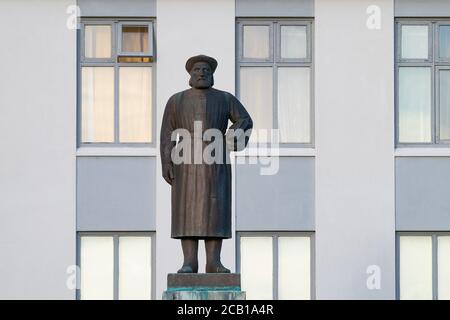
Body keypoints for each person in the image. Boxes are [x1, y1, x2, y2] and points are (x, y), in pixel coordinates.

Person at [160, 55, 253, 273]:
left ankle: (214, 262)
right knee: (186, 211)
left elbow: (245, 120)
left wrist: (232, 137)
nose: (201, 72)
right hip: (184, 160)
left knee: (215, 209)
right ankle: (189, 262)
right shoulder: (176, 100)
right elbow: (167, 133)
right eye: (197, 69)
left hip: (215, 160)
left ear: (212, 75)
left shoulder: (225, 98)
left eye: (206, 70)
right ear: (189, 76)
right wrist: (167, 161)